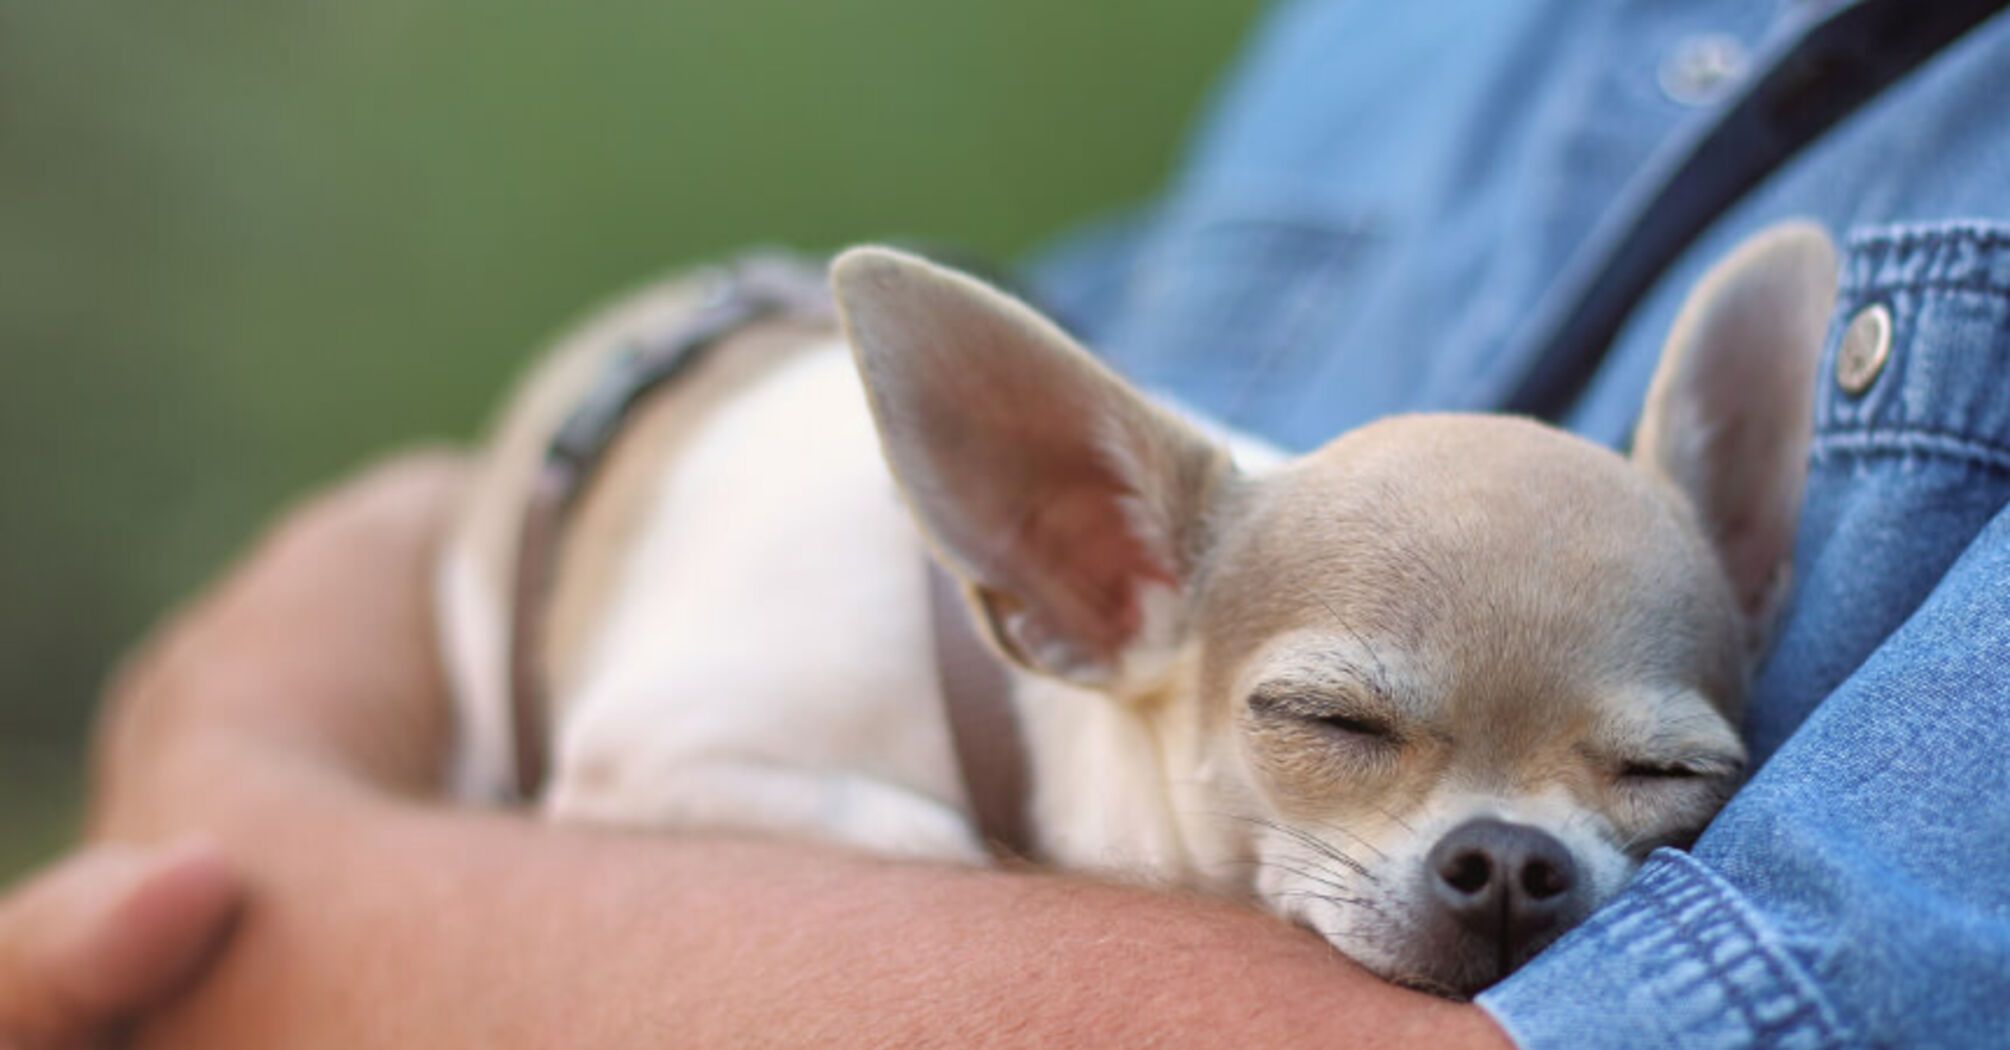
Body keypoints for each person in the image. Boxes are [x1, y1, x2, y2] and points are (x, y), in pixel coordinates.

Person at [5, 1, 2008, 1045]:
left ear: (1755, 549)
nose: (1501, 866)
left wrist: (272, 845)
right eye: (1347, 729)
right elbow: (450, 548)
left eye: (1652, 771)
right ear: (1070, 566)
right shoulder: (1408, 38)